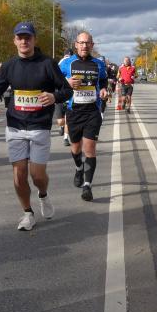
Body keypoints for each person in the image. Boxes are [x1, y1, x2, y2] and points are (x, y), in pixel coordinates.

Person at [0, 22, 72, 231]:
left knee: (37, 176)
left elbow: (66, 90)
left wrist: (54, 96)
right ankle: (27, 213)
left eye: (28, 37)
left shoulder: (47, 64)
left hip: (39, 126)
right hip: (15, 126)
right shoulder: (9, 66)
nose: (24, 41)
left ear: (34, 40)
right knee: (19, 175)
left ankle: (43, 195)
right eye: (20, 37)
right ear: (14, 41)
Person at [59, 32, 108, 202]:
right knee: (75, 148)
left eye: (87, 43)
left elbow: (103, 80)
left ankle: (87, 185)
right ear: (76, 44)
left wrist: (103, 89)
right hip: (74, 112)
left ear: (92, 45)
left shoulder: (99, 64)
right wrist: (66, 83)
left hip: (92, 112)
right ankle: (78, 168)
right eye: (81, 43)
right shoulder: (66, 63)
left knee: (89, 148)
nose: (84, 46)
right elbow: (55, 82)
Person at [57, 48, 73, 146]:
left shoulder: (74, 63)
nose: (68, 58)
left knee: (68, 119)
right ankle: (61, 127)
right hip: (60, 95)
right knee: (60, 121)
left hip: (70, 96)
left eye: (69, 56)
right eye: (67, 56)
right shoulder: (60, 63)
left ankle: (66, 138)